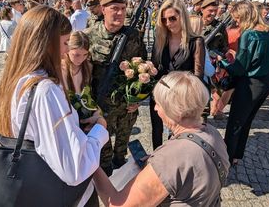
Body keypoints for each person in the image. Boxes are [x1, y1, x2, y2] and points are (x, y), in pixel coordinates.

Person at [0, 5, 109, 206]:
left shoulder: (17, 79)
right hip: (67, 196)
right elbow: (75, 168)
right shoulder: (46, 89)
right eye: (65, 42)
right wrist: (100, 128)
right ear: (47, 43)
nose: (67, 50)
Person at [93, 71, 230, 206]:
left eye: (158, 103)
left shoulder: (170, 159)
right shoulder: (212, 133)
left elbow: (118, 205)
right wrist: (157, 166)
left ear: (175, 110)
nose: (156, 109)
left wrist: (91, 164)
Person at [84, 0, 147, 176]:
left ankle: (121, 171)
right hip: (100, 107)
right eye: (114, 9)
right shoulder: (89, 36)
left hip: (126, 106)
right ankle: (106, 182)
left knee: (122, 147)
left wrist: (138, 98)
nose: (120, 13)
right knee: (102, 149)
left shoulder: (134, 35)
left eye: (122, 8)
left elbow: (143, 68)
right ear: (103, 9)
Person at [218, 0, 269, 165]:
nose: (236, 22)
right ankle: (237, 155)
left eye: (237, 19)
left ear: (245, 16)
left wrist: (221, 62)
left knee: (235, 122)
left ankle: (226, 160)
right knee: (247, 121)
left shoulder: (249, 34)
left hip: (249, 85)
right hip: (264, 84)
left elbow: (240, 68)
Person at [150, 0, 205, 150]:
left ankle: (173, 160)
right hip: (159, 93)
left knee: (176, 134)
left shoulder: (196, 42)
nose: (168, 23)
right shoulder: (160, 39)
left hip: (181, 98)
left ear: (183, 17)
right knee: (156, 130)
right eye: (164, 19)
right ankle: (157, 157)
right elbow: (155, 68)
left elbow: (197, 77)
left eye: (172, 18)